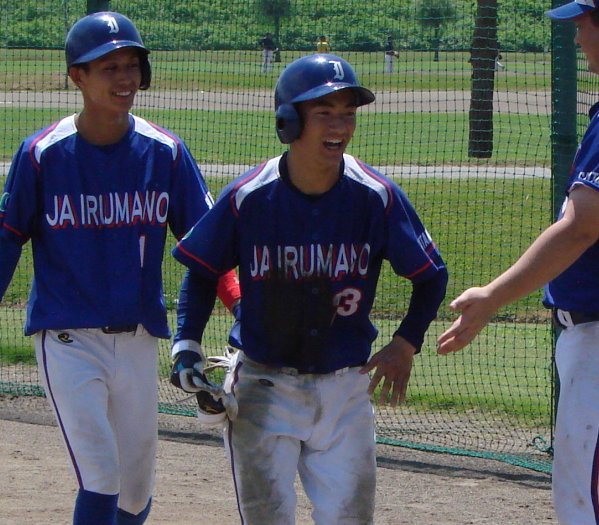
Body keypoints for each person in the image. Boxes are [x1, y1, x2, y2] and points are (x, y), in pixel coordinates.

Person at [437, 1, 599, 524]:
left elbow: (580, 228)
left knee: (585, 504)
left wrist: (492, 296)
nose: (577, 38)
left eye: (582, 24)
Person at [169, 54, 448, 524]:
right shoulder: (249, 197)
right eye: (324, 113)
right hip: (263, 387)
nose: (339, 125)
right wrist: (186, 344)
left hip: (345, 390)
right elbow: (201, 270)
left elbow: (431, 275)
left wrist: (406, 342)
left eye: (348, 113)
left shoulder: (375, 196)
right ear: (289, 121)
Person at [0, 12, 240, 525]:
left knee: (134, 493)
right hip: (67, 339)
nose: (125, 78)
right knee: (101, 475)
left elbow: (208, 248)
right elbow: (7, 241)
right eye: (109, 67)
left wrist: (243, 307)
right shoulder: (42, 154)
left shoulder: (164, 152)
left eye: (132, 65)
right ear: (77, 76)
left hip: (138, 339)